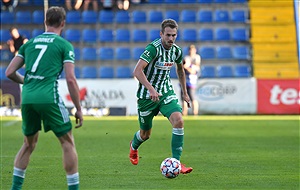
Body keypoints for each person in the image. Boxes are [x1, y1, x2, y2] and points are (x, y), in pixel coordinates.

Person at [5, 6, 83, 190]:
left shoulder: (29, 44)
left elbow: (9, 72)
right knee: (67, 141)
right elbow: (71, 79)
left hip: (28, 97)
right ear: (63, 23)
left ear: (45, 22)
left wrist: (27, 81)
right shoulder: (64, 45)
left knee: (28, 144)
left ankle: (15, 188)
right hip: (49, 96)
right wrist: (78, 108)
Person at [129, 19, 193, 174]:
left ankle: (176, 162)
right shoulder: (153, 49)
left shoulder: (176, 51)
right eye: (168, 35)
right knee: (145, 134)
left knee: (179, 120)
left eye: (174, 35)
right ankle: (133, 146)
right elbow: (137, 71)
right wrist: (150, 89)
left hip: (165, 93)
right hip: (147, 97)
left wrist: (184, 92)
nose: (171, 39)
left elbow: (180, 70)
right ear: (161, 34)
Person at [181, 44, 201, 116]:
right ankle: (184, 112)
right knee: (183, 97)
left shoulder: (197, 57)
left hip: (192, 80)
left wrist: (187, 66)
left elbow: (194, 70)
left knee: (192, 97)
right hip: (185, 80)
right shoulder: (187, 57)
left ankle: (195, 112)